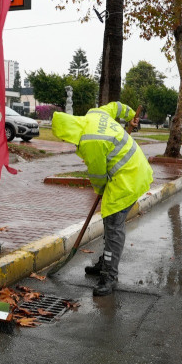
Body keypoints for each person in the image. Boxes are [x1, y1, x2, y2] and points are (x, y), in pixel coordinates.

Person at [51, 103, 153, 296]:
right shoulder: (95, 113)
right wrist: (131, 115)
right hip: (134, 170)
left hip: (128, 178)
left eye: (66, 138)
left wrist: (101, 191)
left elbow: (98, 177)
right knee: (109, 220)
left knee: (114, 224)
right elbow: (117, 106)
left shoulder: (90, 141)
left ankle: (110, 276)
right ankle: (106, 262)